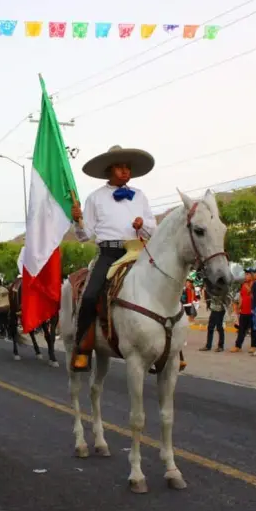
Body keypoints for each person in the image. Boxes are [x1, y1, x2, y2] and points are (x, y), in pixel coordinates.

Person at [70, 145, 157, 371]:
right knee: (89, 296)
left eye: (127, 167)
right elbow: (85, 235)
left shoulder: (140, 196)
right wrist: (77, 221)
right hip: (109, 253)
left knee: (165, 287)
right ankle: (82, 348)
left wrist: (143, 224)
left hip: (138, 251)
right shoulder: (95, 198)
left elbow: (153, 228)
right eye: (120, 167)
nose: (125, 171)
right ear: (109, 170)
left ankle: (170, 346)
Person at [230, 269, 256, 353]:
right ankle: (238, 346)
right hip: (244, 311)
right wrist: (239, 307)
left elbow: (255, 296)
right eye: (245, 274)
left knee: (253, 330)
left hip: (252, 311)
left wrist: (249, 288)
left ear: (252, 275)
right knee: (241, 329)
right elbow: (241, 297)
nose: (246, 276)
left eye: (248, 274)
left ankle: (253, 346)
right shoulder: (243, 285)